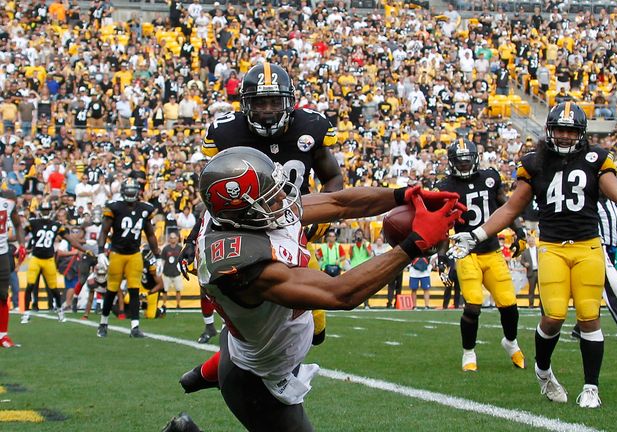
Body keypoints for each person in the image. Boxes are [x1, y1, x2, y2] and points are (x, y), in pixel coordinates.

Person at [178, 147, 463, 431]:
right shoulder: (243, 265)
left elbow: (339, 203)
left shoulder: (244, 213)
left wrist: (406, 195)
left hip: (248, 346)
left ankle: (203, 376)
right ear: (242, 213)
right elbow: (341, 293)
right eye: (270, 197)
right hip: (258, 380)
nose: (282, 198)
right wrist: (414, 244)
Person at [449, 102, 617, 408]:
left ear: (580, 133)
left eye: (570, 130)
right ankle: (544, 372)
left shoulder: (595, 159)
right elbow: (510, 208)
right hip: (552, 247)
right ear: (550, 130)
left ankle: (591, 387)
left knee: (590, 318)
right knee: (554, 318)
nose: (563, 136)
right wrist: (478, 234)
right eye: (559, 129)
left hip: (588, 245)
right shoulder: (535, 163)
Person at [179, 62, 343, 344]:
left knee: (316, 327)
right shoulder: (227, 133)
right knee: (242, 309)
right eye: (260, 103)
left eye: (274, 102)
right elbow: (216, 195)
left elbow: (334, 177)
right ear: (245, 104)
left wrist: (321, 218)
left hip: (291, 223)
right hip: (243, 228)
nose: (267, 110)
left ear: (289, 102)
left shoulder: (310, 127)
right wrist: (193, 239)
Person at [436, 139, 526, 372]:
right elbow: (443, 225)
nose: (464, 166)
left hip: (492, 250)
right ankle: (468, 352)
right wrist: (443, 254)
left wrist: (519, 231)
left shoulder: (490, 178)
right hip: (466, 254)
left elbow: (506, 207)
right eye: (460, 162)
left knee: (508, 303)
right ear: (452, 162)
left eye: (468, 161)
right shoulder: (446, 186)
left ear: (475, 159)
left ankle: (511, 342)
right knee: (473, 304)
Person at [572, 195, 617, 342]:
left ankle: (578, 328)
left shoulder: (614, 204)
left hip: (611, 251)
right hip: (598, 250)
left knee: (597, 293)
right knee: (610, 291)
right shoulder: (591, 203)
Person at [97, 180, 161, 338]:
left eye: (134, 191)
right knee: (112, 289)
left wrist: (158, 256)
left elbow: (151, 234)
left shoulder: (145, 209)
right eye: (129, 191)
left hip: (134, 254)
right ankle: (103, 323)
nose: (131, 194)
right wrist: (100, 252)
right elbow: (104, 231)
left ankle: (135, 327)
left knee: (134, 290)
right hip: (117, 254)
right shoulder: (115, 207)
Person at [21, 205, 90, 324]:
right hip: (36, 258)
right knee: (30, 286)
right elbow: (21, 233)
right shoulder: (34, 223)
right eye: (44, 210)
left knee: (54, 289)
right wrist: (22, 245)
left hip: (48, 259)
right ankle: (26, 313)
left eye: (47, 210)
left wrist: (83, 250)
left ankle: (60, 312)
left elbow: (70, 240)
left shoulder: (56, 225)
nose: (45, 212)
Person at [0, 190, 26, 348]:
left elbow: (17, 224)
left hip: (2, 253)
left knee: (2, 294)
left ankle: (2, 335)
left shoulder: (7, 202)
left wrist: (22, 244)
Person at [348, 229, 373, 308]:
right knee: (355, 287)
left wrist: (365, 245)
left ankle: (366, 304)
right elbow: (351, 257)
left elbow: (369, 254)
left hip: (364, 267)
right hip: (355, 266)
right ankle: (354, 304)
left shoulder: (367, 243)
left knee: (366, 287)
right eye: (357, 234)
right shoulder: (353, 245)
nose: (359, 236)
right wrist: (351, 248)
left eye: (360, 234)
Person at [159, 232, 184, 310]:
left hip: (177, 272)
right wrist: (161, 271)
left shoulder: (179, 248)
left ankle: (178, 305)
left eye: (174, 237)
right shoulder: (166, 248)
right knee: (165, 290)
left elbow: (182, 260)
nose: (172, 239)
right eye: (171, 237)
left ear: (177, 239)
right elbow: (162, 260)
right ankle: (164, 304)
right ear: (169, 239)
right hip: (167, 273)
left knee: (178, 290)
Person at [520, 234, 538, 308]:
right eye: (530, 240)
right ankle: (531, 305)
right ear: (528, 242)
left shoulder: (539, 250)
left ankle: (542, 305)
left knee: (542, 290)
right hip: (531, 272)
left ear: (534, 241)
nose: (531, 242)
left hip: (539, 272)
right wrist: (525, 264)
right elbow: (522, 261)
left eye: (532, 240)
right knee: (531, 290)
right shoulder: (525, 252)